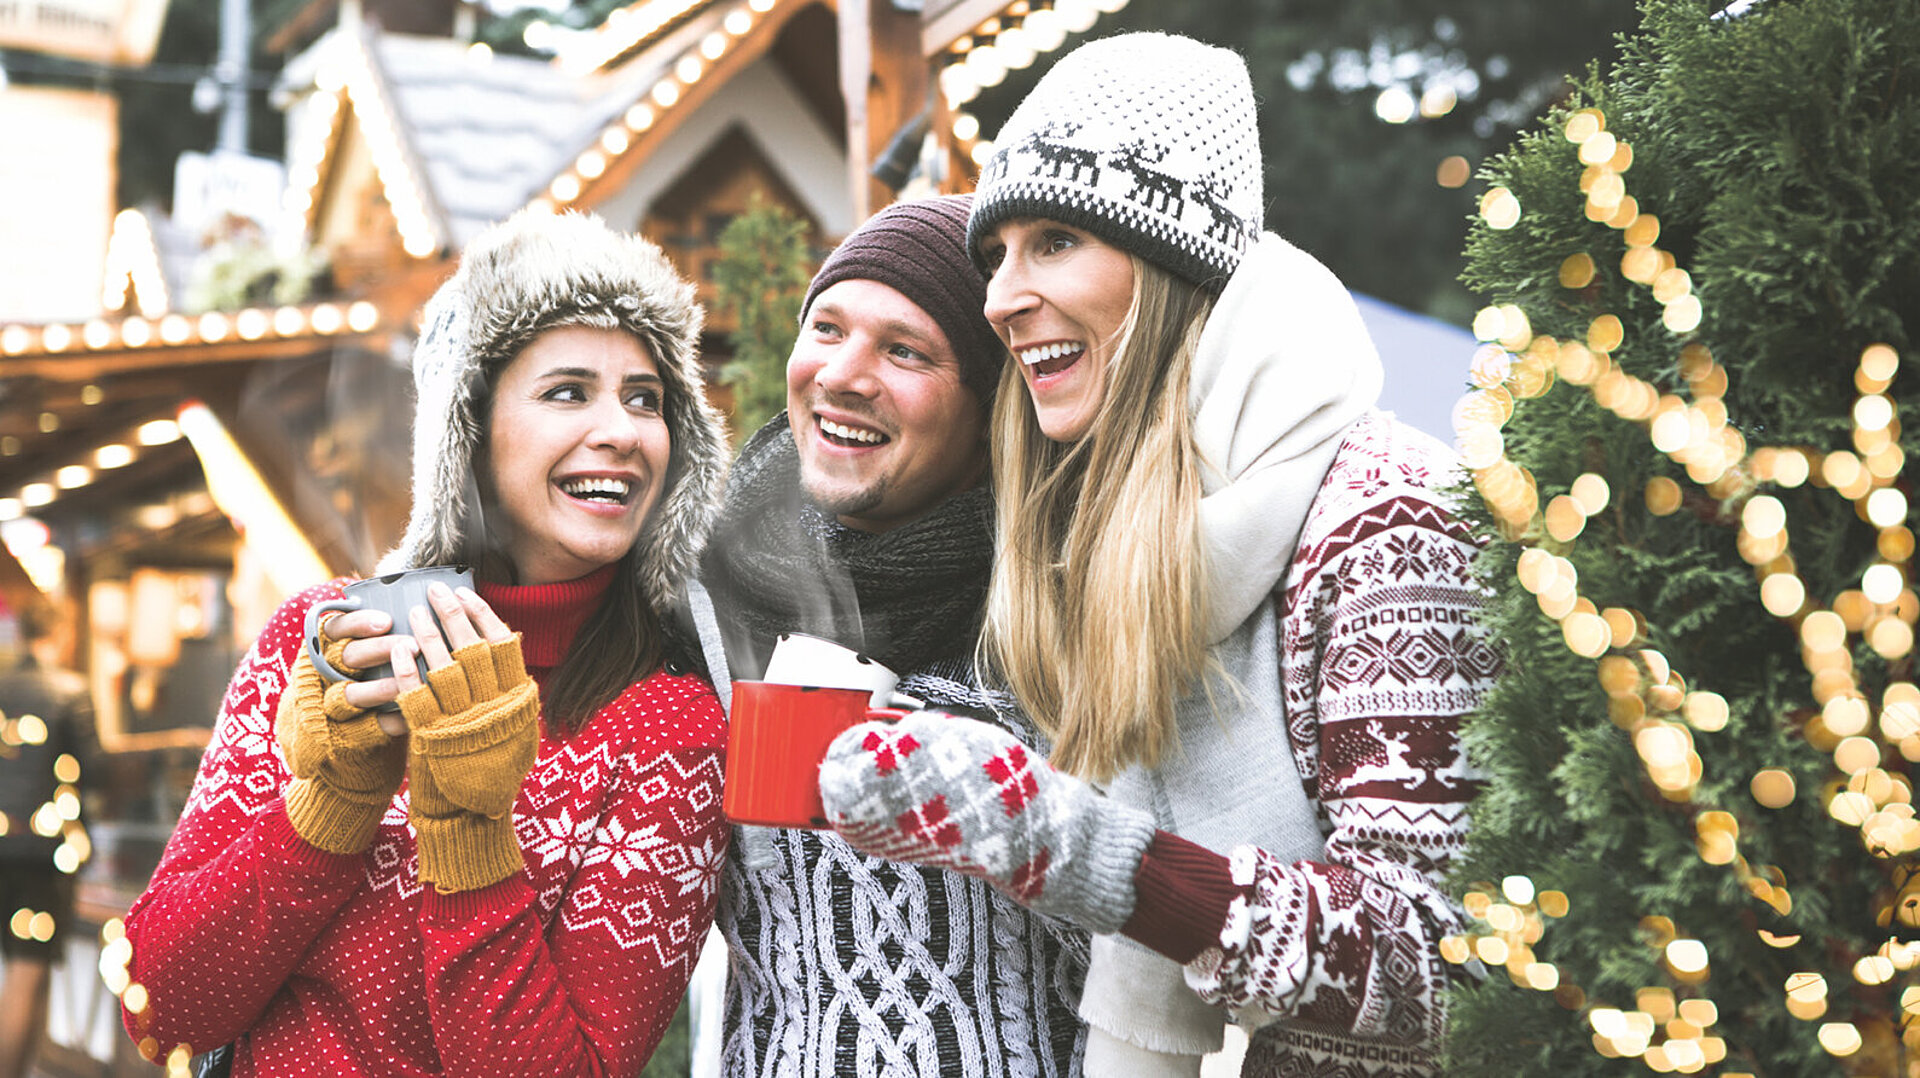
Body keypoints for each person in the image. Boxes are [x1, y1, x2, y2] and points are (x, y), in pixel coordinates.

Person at [819, 33, 1496, 1078]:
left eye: (1053, 242)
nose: (1001, 296)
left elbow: (1436, 957)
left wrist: (1079, 849)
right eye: (996, 254)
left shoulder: (1387, 513)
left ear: (1175, 259)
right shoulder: (1106, 532)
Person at [119, 208, 732, 1076]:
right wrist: (326, 811)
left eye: (647, 398)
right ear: (468, 435)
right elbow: (164, 1007)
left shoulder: (670, 730)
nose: (625, 431)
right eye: (568, 392)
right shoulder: (328, 642)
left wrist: (473, 835)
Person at [691, 195, 1090, 1077]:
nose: (841, 374)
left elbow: (1161, 959)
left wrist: (996, 807)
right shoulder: (709, 602)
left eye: (904, 350)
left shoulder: (1074, 614)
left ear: (991, 408)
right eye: (826, 328)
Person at [0, 599, 96, 1078]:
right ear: (60, 634)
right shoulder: (69, 691)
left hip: (2, 848)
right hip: (45, 851)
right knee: (29, 971)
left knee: (19, 970)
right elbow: (93, 768)